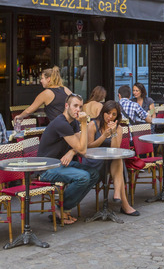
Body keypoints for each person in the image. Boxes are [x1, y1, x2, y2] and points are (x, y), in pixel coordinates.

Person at [37, 94, 100, 225]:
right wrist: (84, 124)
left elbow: (82, 146)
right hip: (46, 169)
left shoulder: (74, 123)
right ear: (67, 106)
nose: (78, 109)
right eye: (75, 106)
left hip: (61, 164)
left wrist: (72, 151)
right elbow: (82, 150)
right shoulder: (61, 123)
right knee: (83, 177)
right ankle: (61, 208)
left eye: (80, 107)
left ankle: (64, 207)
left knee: (94, 173)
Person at [82, 100, 139, 216]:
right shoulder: (93, 125)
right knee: (118, 161)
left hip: (110, 162)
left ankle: (117, 194)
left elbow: (115, 149)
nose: (110, 117)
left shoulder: (118, 128)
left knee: (117, 158)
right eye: (108, 113)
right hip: (93, 161)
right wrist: (104, 136)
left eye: (114, 114)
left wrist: (113, 133)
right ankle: (124, 203)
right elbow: (88, 146)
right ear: (103, 112)